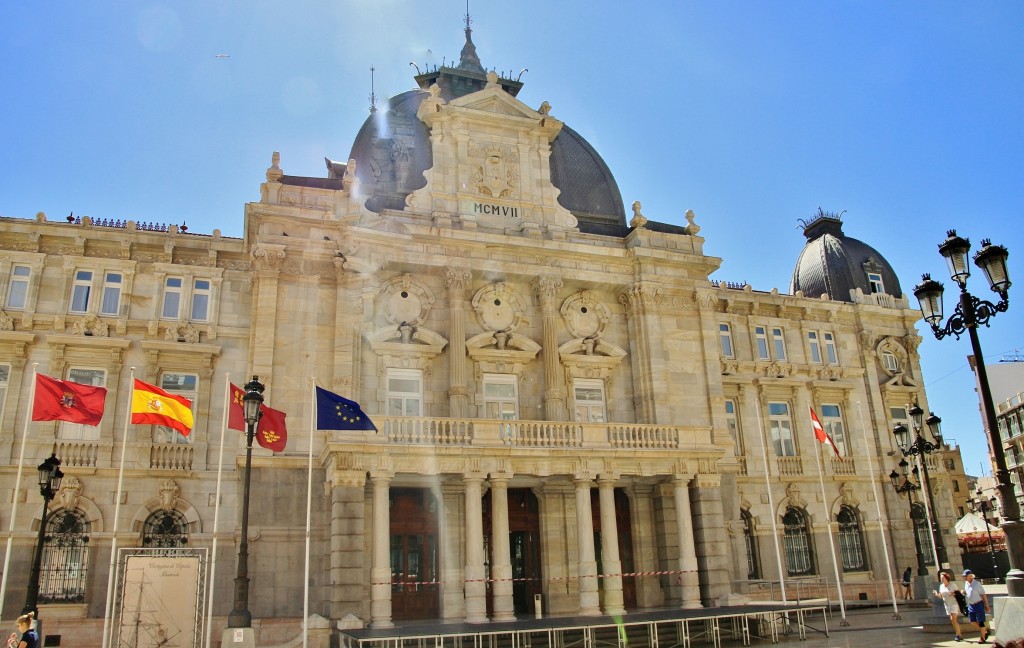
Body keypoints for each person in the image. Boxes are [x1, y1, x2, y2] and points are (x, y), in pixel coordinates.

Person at [933, 571, 963, 641]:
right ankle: (959, 633)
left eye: (943, 578)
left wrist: (953, 594)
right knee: (952, 620)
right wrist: (936, 594)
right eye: (941, 578)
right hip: (947, 604)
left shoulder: (952, 585)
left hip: (954, 603)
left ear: (947, 578)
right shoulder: (941, 586)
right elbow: (941, 596)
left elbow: (958, 594)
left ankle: (958, 634)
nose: (941, 579)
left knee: (953, 619)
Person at [963, 570, 990, 644]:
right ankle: (985, 631)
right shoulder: (966, 583)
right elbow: (968, 592)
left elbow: (983, 594)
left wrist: (987, 605)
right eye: (964, 576)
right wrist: (964, 592)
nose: (964, 577)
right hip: (971, 605)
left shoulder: (977, 584)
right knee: (972, 621)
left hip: (978, 604)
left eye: (966, 576)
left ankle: (982, 638)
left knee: (981, 621)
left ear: (971, 576)